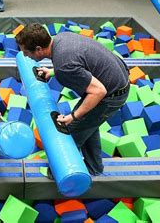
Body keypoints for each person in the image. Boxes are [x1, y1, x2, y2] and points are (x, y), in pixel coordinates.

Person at [15, 24, 130, 177]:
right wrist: (53, 71)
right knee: (88, 123)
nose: (25, 56)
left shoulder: (64, 64)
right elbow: (78, 61)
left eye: (26, 52)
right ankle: (94, 168)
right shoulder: (61, 38)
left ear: (38, 49)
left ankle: (59, 176)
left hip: (111, 94)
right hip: (116, 78)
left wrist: (74, 116)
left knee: (72, 130)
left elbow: (98, 91)